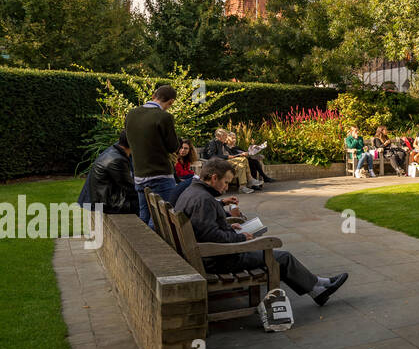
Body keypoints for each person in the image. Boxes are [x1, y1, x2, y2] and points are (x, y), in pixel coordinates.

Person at [175, 159, 349, 306]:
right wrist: (240, 237)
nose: (226, 188)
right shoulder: (203, 200)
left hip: (207, 256)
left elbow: (205, 228)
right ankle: (318, 287)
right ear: (214, 178)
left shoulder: (192, 192)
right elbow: (212, 237)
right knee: (282, 257)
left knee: (276, 255)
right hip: (219, 260)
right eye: (226, 182)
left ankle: (318, 286)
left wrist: (229, 227)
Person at [124, 84, 181, 225]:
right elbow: (173, 146)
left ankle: (141, 239)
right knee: (161, 220)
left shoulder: (131, 114)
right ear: (171, 102)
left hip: (139, 174)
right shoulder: (164, 117)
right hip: (160, 174)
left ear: (153, 96)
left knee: (144, 215)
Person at [77, 131, 139, 216]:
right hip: (106, 204)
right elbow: (130, 187)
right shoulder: (117, 160)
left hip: (101, 199)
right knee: (141, 202)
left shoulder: (113, 152)